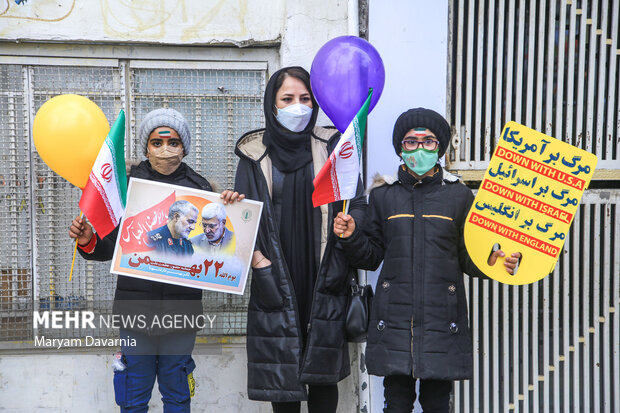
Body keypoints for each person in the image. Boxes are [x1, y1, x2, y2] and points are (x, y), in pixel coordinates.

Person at [333, 108, 521, 413]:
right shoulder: (383, 196)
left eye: (429, 141)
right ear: (399, 148)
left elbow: (468, 258)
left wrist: (496, 261)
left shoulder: (459, 196)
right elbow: (370, 257)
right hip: (393, 320)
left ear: (441, 148)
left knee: (436, 403)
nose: (420, 149)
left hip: (442, 319)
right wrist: (352, 235)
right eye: (411, 142)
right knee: (396, 403)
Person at [69, 107, 243, 413]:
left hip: (182, 312)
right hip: (134, 311)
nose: (165, 149)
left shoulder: (201, 189)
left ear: (184, 146)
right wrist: (88, 241)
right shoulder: (126, 184)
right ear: (146, 146)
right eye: (157, 142)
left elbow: (213, 248)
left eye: (173, 142)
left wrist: (234, 212)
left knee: (177, 392)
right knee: (134, 394)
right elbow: (112, 245)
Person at [233, 66, 364, 413]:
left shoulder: (334, 146)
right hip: (275, 275)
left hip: (322, 273)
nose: (298, 106)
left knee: (323, 377)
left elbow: (356, 202)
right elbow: (243, 221)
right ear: (272, 105)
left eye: (305, 99)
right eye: (288, 98)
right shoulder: (253, 154)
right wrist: (259, 262)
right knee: (282, 382)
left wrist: (351, 228)